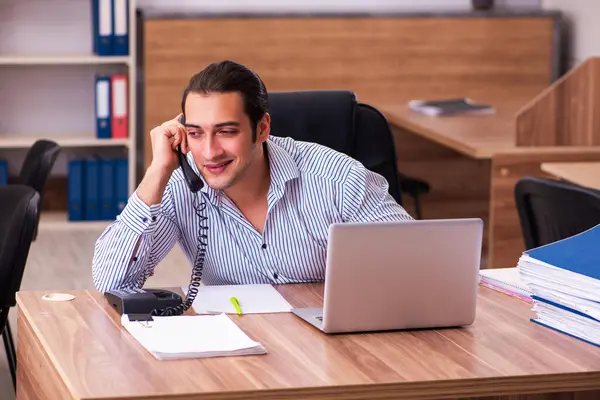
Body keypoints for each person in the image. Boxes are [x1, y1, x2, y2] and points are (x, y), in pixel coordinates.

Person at [92, 60, 413, 294]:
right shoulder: (180, 186)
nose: (209, 152)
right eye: (196, 134)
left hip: (330, 349)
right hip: (236, 350)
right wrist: (156, 172)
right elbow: (112, 282)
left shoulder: (338, 180)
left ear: (262, 128)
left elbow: (420, 265)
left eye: (226, 132)